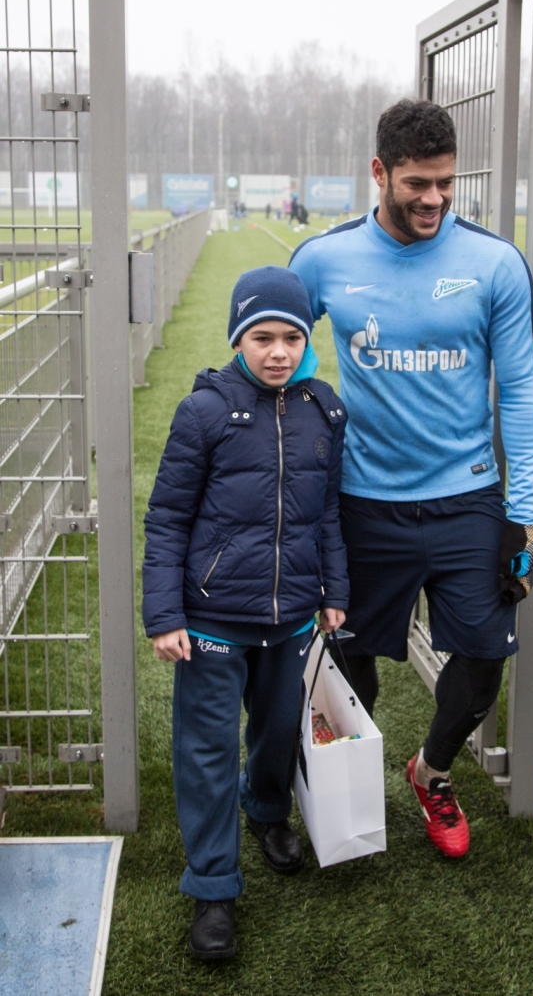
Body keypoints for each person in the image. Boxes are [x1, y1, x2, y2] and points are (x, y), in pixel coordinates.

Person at [289, 99, 533, 859]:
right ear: (379, 172)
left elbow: (523, 387)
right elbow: (278, 361)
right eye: (415, 183)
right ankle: (345, 780)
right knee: (347, 659)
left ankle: (429, 771)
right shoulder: (322, 260)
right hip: (362, 500)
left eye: (444, 182)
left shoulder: (495, 262)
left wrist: (522, 512)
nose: (433, 199)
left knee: (484, 652)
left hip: (466, 497)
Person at [142, 265, 349, 959]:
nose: (277, 351)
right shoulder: (203, 411)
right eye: (261, 336)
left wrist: (332, 591)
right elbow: (167, 518)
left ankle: (266, 812)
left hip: (291, 618)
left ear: (305, 338)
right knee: (204, 752)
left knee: (275, 730)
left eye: (291, 336)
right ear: (237, 338)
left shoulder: (325, 410)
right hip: (209, 623)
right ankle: (212, 888)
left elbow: (326, 517)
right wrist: (164, 612)